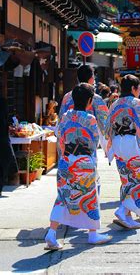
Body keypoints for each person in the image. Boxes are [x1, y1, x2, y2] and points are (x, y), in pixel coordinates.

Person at [45, 83, 111, 250]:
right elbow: (93, 142)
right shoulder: (91, 119)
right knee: (90, 197)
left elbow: (60, 137)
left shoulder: (65, 117)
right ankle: (93, 233)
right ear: (90, 101)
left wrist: (65, 155)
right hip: (84, 161)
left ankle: (51, 233)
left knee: (62, 197)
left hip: (66, 161)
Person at [105, 74, 140, 229]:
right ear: (134, 88)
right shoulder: (137, 103)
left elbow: (108, 127)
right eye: (138, 88)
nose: (139, 91)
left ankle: (127, 217)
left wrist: (111, 147)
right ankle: (123, 209)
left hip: (118, 142)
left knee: (126, 179)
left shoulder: (115, 103)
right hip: (132, 142)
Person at [59, 64, 109, 153]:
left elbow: (60, 119)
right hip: (87, 141)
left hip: (68, 140)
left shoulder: (67, 96)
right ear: (91, 78)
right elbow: (105, 121)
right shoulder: (95, 98)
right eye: (93, 76)